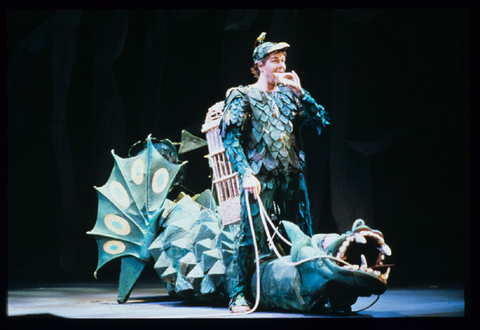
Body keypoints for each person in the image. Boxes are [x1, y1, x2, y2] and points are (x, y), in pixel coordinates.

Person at [220, 32, 330, 313]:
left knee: (302, 235)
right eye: (274, 60)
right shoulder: (242, 95)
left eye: (283, 60)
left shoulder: (290, 97)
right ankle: (239, 293)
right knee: (250, 236)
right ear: (259, 64)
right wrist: (245, 172)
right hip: (260, 178)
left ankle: (312, 290)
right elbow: (230, 138)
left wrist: (301, 93)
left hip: (292, 175)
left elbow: (320, 124)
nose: (281, 66)